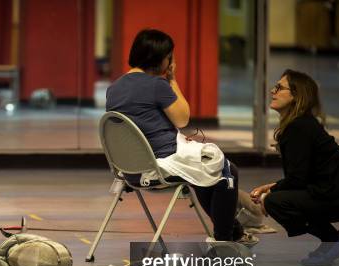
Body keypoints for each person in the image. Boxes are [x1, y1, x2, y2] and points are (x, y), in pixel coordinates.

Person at [106, 28, 256, 245]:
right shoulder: (157, 85)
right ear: (161, 59)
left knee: (203, 173)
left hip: (129, 170)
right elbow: (183, 119)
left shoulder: (114, 88)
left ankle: (234, 231)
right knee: (226, 170)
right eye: (170, 57)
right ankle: (225, 242)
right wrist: (172, 79)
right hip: (158, 166)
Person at [251, 69, 339, 265]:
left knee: (276, 203)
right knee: (279, 199)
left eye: (279, 87)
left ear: (297, 95)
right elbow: (302, 176)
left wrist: (269, 195)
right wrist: (271, 187)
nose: (273, 91)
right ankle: (331, 242)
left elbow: (297, 180)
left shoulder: (299, 127)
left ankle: (332, 242)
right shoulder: (300, 124)